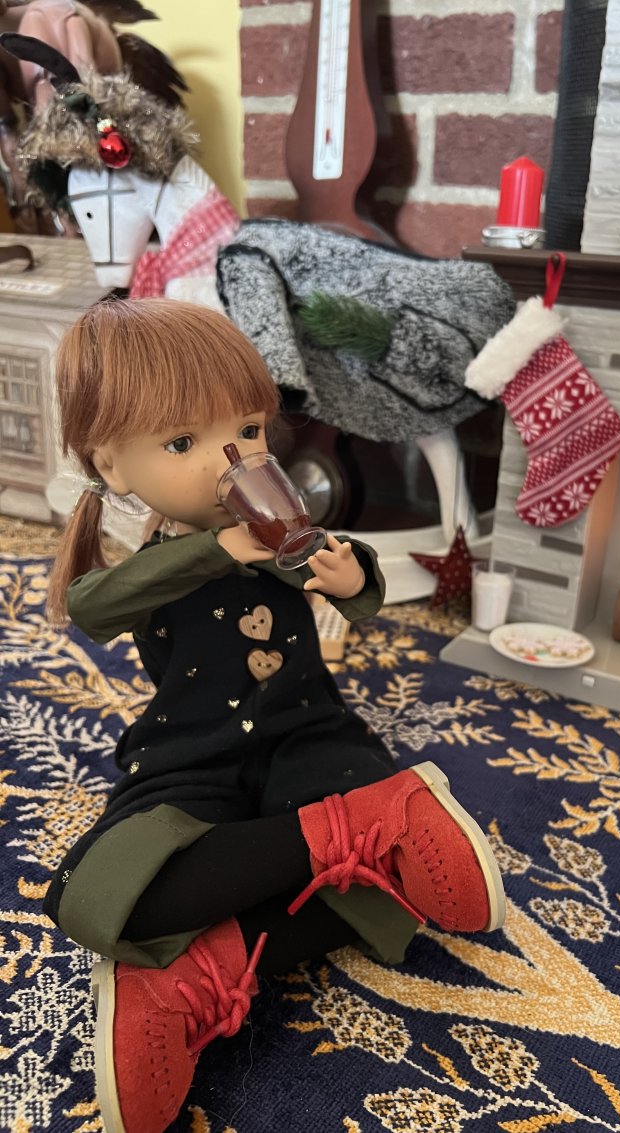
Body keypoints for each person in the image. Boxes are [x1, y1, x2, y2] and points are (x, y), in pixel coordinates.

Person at [45, 298, 506, 1133]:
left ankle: (231, 943)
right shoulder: (165, 566)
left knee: (410, 887)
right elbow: (92, 605)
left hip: (308, 735)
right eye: (182, 444)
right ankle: (326, 854)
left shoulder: (278, 534)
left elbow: (355, 586)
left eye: (250, 430)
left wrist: (348, 573)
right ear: (112, 466)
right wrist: (214, 550)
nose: (234, 460)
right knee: (98, 895)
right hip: (193, 754)